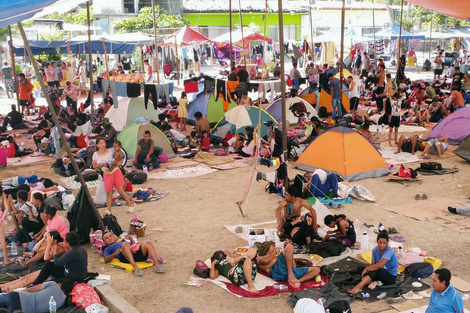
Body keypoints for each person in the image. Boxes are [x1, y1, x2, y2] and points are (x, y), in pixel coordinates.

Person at [93, 137, 135, 214]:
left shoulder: (110, 151)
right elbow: (94, 166)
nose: (103, 145)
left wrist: (119, 162)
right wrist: (102, 164)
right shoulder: (95, 154)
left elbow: (120, 155)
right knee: (109, 192)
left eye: (104, 143)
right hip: (106, 173)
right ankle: (109, 210)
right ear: (97, 145)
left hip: (115, 172)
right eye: (101, 143)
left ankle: (130, 205)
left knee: (120, 191)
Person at [256, 241, 321, 289]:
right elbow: (265, 261)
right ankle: (291, 276)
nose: (274, 247)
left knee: (317, 270)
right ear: (267, 247)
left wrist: (290, 254)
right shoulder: (260, 257)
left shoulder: (276, 257)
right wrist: (275, 252)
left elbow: (294, 266)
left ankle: (297, 281)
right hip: (277, 271)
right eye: (272, 246)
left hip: (287, 271)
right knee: (290, 246)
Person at [0, 279, 73, 312]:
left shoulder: (53, 284)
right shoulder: (62, 302)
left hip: (16, 297)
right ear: (68, 293)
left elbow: (32, 289)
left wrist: (18, 291)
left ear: (60, 284)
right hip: (21, 310)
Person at [0, 186, 14, 265]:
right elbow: (7, 208)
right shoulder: (2, 194)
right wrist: (1, 218)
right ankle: (6, 260)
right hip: (0, 216)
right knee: (2, 239)